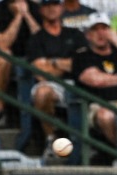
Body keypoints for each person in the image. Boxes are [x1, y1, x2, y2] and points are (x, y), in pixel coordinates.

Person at [71, 12, 117, 150]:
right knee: (106, 116)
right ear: (88, 35)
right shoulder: (82, 55)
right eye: (95, 29)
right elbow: (96, 80)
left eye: (104, 28)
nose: (100, 33)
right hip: (98, 105)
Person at [26, 0, 86, 161]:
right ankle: (52, 139)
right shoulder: (36, 39)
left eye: (55, 4)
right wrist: (67, 64)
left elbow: (83, 63)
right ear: (41, 9)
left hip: (79, 82)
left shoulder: (75, 34)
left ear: (62, 7)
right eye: (47, 5)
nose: (51, 8)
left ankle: (91, 147)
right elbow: (41, 73)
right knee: (42, 92)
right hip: (53, 85)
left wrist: (53, 62)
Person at [0, 0, 42, 129]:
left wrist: (27, 15)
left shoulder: (36, 9)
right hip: (6, 59)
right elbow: (2, 44)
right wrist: (18, 17)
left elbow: (43, 40)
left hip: (31, 57)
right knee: (2, 57)